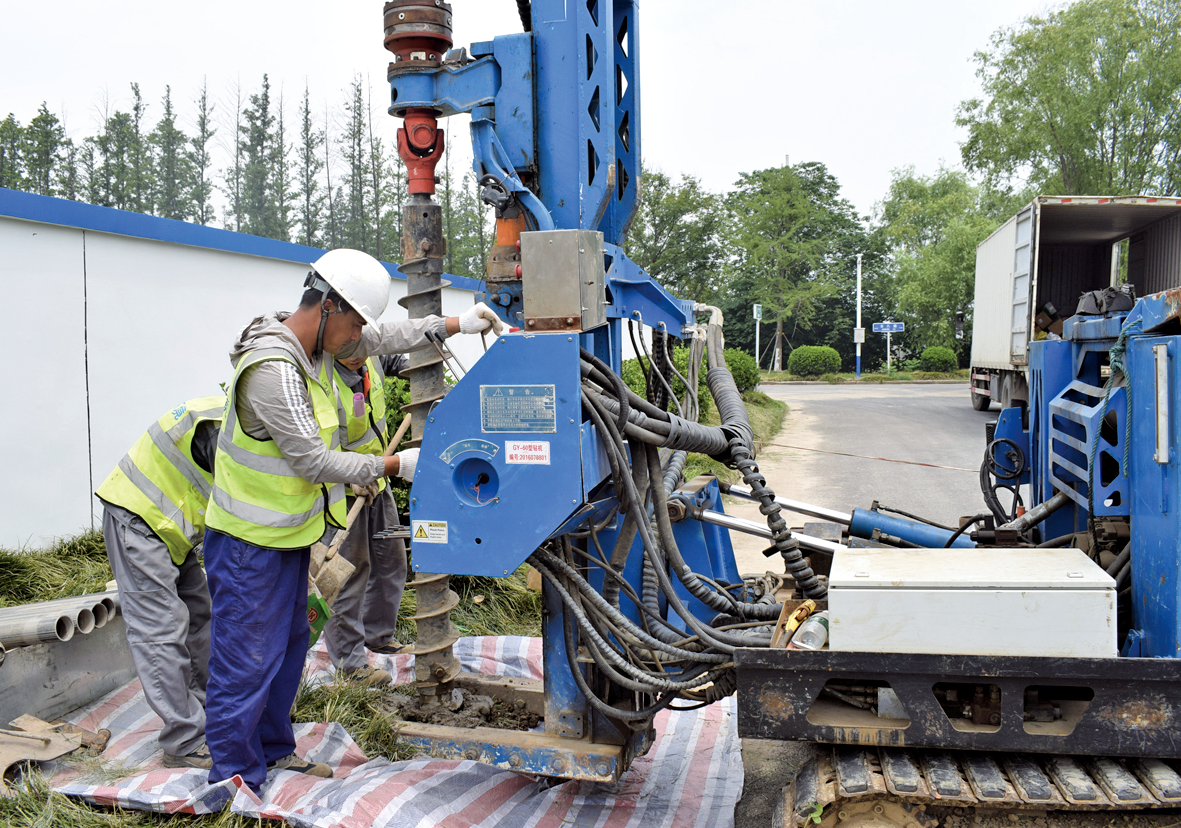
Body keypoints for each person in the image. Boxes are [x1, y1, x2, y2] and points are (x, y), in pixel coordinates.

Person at [202, 248, 504, 794]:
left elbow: (386, 338)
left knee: (288, 647)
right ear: (328, 305)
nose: (359, 334)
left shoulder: (319, 346)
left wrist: (458, 323)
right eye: (356, 321)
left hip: (288, 537)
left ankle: (273, 751)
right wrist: (392, 465)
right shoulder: (274, 368)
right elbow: (313, 461)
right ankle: (232, 779)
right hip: (247, 544)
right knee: (247, 658)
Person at [94, 395, 226, 770]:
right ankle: (184, 740)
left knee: (198, 616)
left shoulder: (241, 415)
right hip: (138, 517)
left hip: (170, 526)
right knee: (161, 629)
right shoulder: (227, 431)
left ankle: (211, 712)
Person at [323, 352, 410, 686]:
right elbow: (314, 451)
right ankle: (351, 666)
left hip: (378, 483)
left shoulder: (370, 357)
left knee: (391, 563)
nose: (358, 354)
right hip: (342, 494)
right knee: (348, 575)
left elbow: (393, 361)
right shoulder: (321, 381)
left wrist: (421, 373)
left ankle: (378, 636)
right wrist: (350, 478)